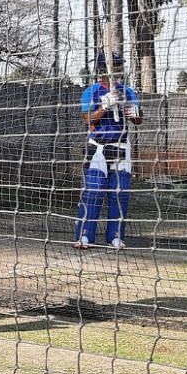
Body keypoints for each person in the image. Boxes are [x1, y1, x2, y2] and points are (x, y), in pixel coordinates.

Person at [74, 50, 141, 250]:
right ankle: (85, 235)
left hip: (121, 147)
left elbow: (138, 119)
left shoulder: (128, 91)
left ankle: (116, 236)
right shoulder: (91, 92)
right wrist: (105, 105)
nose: (117, 71)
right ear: (103, 69)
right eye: (114, 66)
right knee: (93, 193)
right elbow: (88, 119)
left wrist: (133, 112)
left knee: (119, 195)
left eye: (119, 66)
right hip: (98, 149)